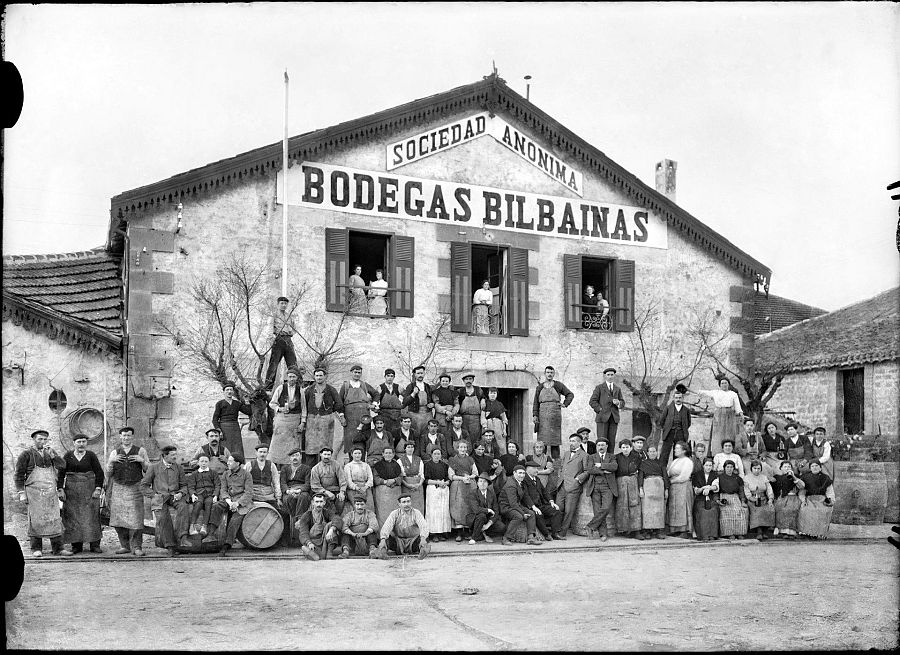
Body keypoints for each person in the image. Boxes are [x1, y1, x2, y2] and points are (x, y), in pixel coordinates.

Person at [16, 430, 69, 557]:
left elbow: (63, 466)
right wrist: (21, 492)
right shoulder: (26, 454)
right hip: (34, 492)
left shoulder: (50, 452)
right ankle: (36, 548)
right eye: (40, 439)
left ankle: (58, 549)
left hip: (50, 491)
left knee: (54, 518)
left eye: (45, 439)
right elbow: (19, 474)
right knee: (35, 520)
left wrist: (54, 457)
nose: (43, 442)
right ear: (34, 440)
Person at [140, 445, 190, 556]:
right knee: (163, 517)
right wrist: (154, 495)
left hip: (174, 496)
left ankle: (183, 537)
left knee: (183, 507)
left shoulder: (179, 468)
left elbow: (184, 485)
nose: (175, 457)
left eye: (175, 455)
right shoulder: (154, 467)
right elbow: (143, 486)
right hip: (159, 498)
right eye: (173, 455)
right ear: (164, 456)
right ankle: (170, 546)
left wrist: (180, 493)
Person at [106, 427, 149, 556]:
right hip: (118, 487)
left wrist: (142, 461)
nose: (126, 438)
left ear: (132, 437)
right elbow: (108, 473)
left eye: (129, 436)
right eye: (124, 436)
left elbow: (149, 469)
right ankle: (124, 546)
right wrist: (111, 462)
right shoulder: (114, 452)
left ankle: (136, 547)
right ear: (120, 437)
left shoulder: (141, 451)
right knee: (118, 519)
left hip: (135, 487)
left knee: (136, 518)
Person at [59, 434, 105, 554]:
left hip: (89, 490)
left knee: (92, 516)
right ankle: (76, 545)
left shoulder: (91, 455)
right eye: (79, 442)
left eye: (84, 441)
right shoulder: (68, 456)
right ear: (74, 443)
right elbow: (61, 474)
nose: (81, 444)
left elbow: (99, 473)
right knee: (73, 517)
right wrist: (60, 489)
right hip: (72, 490)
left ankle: (94, 545)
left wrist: (98, 489)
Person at [204, 453, 254, 556]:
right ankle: (211, 533)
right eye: (228, 461)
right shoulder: (226, 474)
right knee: (216, 506)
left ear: (238, 463)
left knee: (234, 520)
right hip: (229, 500)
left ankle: (227, 545)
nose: (228, 463)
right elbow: (223, 490)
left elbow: (248, 492)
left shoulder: (246, 475)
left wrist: (237, 503)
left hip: (242, 502)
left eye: (230, 461)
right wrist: (229, 501)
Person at [303, 367, 345, 467]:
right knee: (311, 448)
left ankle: (325, 470)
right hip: (312, 421)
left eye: (321, 375)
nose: (319, 377)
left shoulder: (331, 389)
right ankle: (311, 473)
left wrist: (329, 410)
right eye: (317, 375)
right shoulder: (309, 390)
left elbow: (339, 404)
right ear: (314, 377)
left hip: (326, 421)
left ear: (325, 376)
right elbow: (304, 405)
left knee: (325, 448)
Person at [268, 365, 307, 466]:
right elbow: (272, 403)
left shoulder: (300, 390)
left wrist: (302, 423)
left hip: (294, 421)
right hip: (281, 421)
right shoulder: (281, 388)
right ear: (287, 377)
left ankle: (291, 466)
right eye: (290, 377)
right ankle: (276, 465)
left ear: (297, 378)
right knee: (277, 444)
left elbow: (304, 408)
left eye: (294, 377)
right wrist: (279, 408)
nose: (292, 379)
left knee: (293, 446)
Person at [533, 366, 575, 458]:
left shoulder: (558, 385)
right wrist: (535, 415)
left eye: (551, 373)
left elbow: (570, 394)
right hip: (542, 416)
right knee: (542, 441)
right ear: (545, 374)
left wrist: (565, 404)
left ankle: (556, 463)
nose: (549, 374)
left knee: (554, 441)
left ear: (554, 374)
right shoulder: (539, 387)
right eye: (548, 372)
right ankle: (541, 462)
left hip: (554, 417)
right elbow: (536, 402)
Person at [553, 434, 590, 538]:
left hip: (573, 487)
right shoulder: (566, 453)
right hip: (562, 486)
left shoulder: (584, 455)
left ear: (579, 443)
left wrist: (577, 480)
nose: (571, 443)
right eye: (570, 441)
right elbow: (561, 466)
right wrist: (560, 475)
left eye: (573, 441)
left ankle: (562, 533)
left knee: (569, 511)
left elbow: (587, 471)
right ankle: (555, 531)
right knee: (558, 509)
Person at [693, 378, 742, 455]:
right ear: (719, 385)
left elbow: (737, 405)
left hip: (730, 415)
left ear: (728, 384)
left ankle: (730, 452)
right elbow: (704, 393)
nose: (724, 385)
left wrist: (740, 413)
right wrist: (690, 390)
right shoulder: (715, 392)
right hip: (719, 414)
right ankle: (718, 453)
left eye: (725, 383)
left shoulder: (733, 394)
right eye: (722, 383)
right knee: (718, 434)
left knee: (730, 433)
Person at [340, 363, 378, 461]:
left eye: (359, 373)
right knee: (350, 440)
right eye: (355, 372)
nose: (357, 374)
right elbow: (339, 402)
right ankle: (350, 462)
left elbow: (376, 394)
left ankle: (363, 463)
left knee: (363, 438)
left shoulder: (364, 385)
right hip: (350, 418)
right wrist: (342, 416)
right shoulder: (345, 385)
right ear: (351, 373)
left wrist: (373, 404)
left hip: (364, 416)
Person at [377, 494, 431, 558]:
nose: (406, 504)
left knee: (425, 538)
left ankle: (423, 551)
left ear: (411, 502)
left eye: (408, 501)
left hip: (413, 541)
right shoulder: (394, 513)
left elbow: (423, 526)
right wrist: (383, 539)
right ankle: (382, 552)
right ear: (399, 504)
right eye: (404, 502)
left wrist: (423, 539)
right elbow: (387, 526)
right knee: (385, 540)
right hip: (398, 542)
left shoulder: (416, 513)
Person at [584, 438, 618, 541]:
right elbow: (590, 469)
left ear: (607, 446)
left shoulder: (611, 456)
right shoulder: (591, 457)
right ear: (596, 447)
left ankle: (590, 526)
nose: (601, 447)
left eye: (603, 445)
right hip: (595, 486)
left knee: (606, 508)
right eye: (599, 445)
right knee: (597, 511)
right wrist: (603, 471)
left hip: (607, 486)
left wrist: (600, 465)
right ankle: (603, 534)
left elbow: (614, 467)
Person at [522, 458, 563, 541]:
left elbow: (544, 492)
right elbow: (525, 495)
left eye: (537, 468)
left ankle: (555, 533)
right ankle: (547, 534)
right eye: (535, 468)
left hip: (541, 504)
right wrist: (533, 507)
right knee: (538, 515)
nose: (537, 470)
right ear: (528, 469)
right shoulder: (524, 480)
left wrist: (551, 502)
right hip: (530, 506)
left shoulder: (537, 479)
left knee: (556, 511)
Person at [499, 465, 541, 546]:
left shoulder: (519, 482)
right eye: (519, 473)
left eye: (523, 473)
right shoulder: (511, 484)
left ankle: (531, 538)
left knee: (531, 513)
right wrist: (523, 513)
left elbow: (524, 496)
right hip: (506, 507)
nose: (522, 475)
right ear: (514, 473)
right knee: (518, 516)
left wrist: (533, 507)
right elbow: (513, 503)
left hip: (515, 505)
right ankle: (506, 538)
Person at [265, 295, 299, 389]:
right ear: (278, 304)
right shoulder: (274, 315)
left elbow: (294, 328)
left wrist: (290, 333)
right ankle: (268, 387)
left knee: (293, 364)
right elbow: (269, 328)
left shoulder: (288, 315)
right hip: (278, 339)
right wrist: (272, 339)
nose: (284, 305)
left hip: (288, 340)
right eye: (282, 303)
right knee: (274, 364)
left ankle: (297, 386)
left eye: (285, 304)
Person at [297, 493, 343, 561]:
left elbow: (337, 519)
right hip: (313, 541)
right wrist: (308, 543)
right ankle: (312, 552)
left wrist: (331, 529)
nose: (319, 504)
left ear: (324, 502)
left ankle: (329, 552)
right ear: (312, 503)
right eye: (317, 502)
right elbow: (303, 532)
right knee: (312, 551)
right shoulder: (306, 515)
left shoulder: (327, 512)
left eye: (321, 502)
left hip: (325, 540)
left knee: (330, 525)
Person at [212, 381, 252, 459]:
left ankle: (238, 464)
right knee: (225, 448)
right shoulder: (220, 404)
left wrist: (247, 401)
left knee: (237, 447)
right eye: (227, 390)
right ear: (224, 392)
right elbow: (215, 419)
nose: (229, 392)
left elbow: (248, 411)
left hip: (235, 428)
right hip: (224, 428)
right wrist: (218, 431)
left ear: (233, 392)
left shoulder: (237, 403)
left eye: (231, 390)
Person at [447, 440, 479, 542]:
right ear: (457, 449)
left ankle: (468, 531)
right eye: (461, 447)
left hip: (469, 484)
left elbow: (475, 473)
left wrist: (469, 476)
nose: (463, 449)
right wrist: (462, 478)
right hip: (458, 485)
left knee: (469, 507)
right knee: (458, 507)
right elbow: (451, 475)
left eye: (465, 447)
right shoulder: (453, 460)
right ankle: (459, 532)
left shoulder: (470, 459)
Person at [280, 447, 312, 546]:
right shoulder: (285, 468)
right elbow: (283, 483)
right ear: (290, 458)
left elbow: (308, 484)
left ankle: (299, 520)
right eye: (293, 456)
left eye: (297, 455)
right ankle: (296, 519)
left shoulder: (306, 468)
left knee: (303, 497)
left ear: (301, 457)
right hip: (289, 490)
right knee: (289, 499)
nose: (295, 458)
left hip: (301, 489)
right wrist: (288, 491)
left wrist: (299, 490)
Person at [798, 459, 835, 540]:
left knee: (822, 510)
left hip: (821, 499)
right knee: (807, 510)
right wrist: (803, 500)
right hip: (809, 499)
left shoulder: (826, 478)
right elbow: (802, 491)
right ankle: (807, 533)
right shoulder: (805, 477)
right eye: (812, 466)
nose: (814, 468)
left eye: (816, 466)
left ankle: (819, 533)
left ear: (820, 467)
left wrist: (831, 500)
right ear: (810, 468)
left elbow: (829, 491)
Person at [464, 472, 506, 544]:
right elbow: (476, 509)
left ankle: (484, 532)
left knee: (501, 527)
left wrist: (488, 524)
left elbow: (496, 511)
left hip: (487, 520)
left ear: (488, 484)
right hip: (475, 519)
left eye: (485, 481)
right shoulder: (473, 493)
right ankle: (474, 538)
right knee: (482, 515)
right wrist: (488, 510)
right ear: (477, 483)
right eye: (480, 481)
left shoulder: (491, 494)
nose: (482, 483)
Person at [638, 444, 669, 540]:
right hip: (648, 487)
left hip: (659, 488)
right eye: (650, 451)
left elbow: (665, 476)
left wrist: (666, 489)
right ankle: (647, 531)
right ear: (647, 453)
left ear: (657, 452)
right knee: (647, 509)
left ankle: (658, 531)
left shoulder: (661, 463)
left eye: (654, 451)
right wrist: (640, 489)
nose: (652, 453)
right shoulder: (643, 463)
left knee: (659, 510)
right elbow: (640, 477)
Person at [589, 367, 625, 448]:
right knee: (602, 441)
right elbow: (592, 401)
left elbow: (622, 403)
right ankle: (601, 459)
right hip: (602, 418)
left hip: (614, 418)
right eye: (608, 375)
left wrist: (618, 402)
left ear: (614, 376)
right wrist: (600, 410)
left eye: (612, 375)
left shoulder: (617, 389)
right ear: (605, 376)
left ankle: (610, 459)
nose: (610, 376)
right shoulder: (599, 387)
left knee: (611, 441)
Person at [666, 442, 694, 539]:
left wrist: (672, 481)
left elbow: (684, 476)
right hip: (674, 488)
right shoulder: (675, 461)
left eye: (677, 448)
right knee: (674, 507)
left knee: (683, 507)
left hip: (683, 486)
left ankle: (685, 530)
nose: (675, 450)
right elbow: (668, 472)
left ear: (684, 450)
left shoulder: (687, 461)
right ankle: (675, 529)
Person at [615, 439, 643, 537]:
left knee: (634, 505)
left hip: (633, 481)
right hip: (621, 483)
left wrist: (640, 487)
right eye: (623, 447)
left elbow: (640, 472)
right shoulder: (616, 457)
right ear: (620, 448)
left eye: (627, 447)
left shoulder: (637, 457)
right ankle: (625, 530)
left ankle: (636, 530)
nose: (625, 449)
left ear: (631, 448)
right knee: (622, 506)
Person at [423, 448, 452, 541]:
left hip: (443, 490)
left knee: (443, 512)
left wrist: (445, 483)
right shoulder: (427, 465)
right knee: (433, 512)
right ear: (431, 455)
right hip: (432, 490)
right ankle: (433, 534)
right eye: (435, 454)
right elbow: (426, 480)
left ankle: (442, 532)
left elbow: (448, 478)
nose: (437, 455)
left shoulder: (444, 465)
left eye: (438, 454)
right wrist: (437, 482)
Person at [659, 384, 692, 465]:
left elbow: (688, 423)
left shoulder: (686, 410)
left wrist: (681, 429)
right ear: (673, 398)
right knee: (664, 453)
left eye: (680, 398)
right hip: (669, 433)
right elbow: (661, 421)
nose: (678, 399)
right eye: (676, 398)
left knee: (679, 453)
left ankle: (676, 473)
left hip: (680, 433)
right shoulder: (668, 408)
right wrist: (667, 428)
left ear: (682, 398)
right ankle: (661, 472)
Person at [187, 454, 218, 537]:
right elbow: (191, 486)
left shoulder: (213, 473)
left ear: (209, 463)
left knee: (209, 504)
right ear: (198, 463)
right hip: (199, 493)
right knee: (198, 503)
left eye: (206, 461)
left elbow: (217, 485)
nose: (204, 463)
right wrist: (193, 495)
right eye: (202, 461)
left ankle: (204, 526)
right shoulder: (194, 474)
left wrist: (215, 495)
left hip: (209, 494)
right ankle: (192, 526)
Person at [744, 460, 776, 540]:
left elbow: (769, 489)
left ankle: (765, 530)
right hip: (753, 499)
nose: (757, 470)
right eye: (755, 468)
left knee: (769, 509)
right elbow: (746, 489)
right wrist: (750, 498)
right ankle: (759, 531)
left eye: (758, 468)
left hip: (763, 498)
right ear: (751, 468)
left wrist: (770, 498)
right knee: (757, 511)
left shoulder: (764, 477)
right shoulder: (747, 478)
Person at [310, 447, 347, 515]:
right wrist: (326, 492)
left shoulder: (336, 465)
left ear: (331, 455)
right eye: (325, 454)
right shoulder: (315, 468)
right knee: (327, 504)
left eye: (328, 454)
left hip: (336, 491)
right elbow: (315, 485)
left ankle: (336, 518)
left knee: (341, 501)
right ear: (321, 454)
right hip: (322, 491)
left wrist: (342, 492)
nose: (326, 456)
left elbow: (342, 480)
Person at [716, 460, 748, 540]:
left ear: (734, 468)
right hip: (724, 497)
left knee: (741, 510)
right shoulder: (720, 478)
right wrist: (718, 500)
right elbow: (716, 491)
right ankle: (729, 533)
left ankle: (740, 533)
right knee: (726, 511)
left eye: (731, 467)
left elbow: (741, 491)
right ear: (724, 468)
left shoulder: (738, 478)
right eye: (727, 467)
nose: (729, 469)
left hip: (735, 497)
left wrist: (743, 501)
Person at [373, 446, 404, 528]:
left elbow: (401, 477)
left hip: (394, 494)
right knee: (383, 515)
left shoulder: (397, 465)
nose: (388, 454)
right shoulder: (377, 465)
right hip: (382, 494)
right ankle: (384, 536)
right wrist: (385, 481)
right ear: (383, 454)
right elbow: (375, 478)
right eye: (386, 453)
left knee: (395, 514)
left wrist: (394, 480)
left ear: (393, 454)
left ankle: (395, 536)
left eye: (390, 453)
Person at [245, 444, 283, 511]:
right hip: (254, 495)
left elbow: (276, 482)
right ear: (256, 453)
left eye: (264, 452)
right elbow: (243, 481)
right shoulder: (249, 465)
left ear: (267, 453)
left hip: (268, 496)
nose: (262, 454)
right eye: (260, 452)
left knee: (278, 513)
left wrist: (278, 498)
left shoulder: (272, 465)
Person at [692, 458, 720, 541]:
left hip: (711, 497)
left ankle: (712, 535)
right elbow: (696, 491)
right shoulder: (697, 475)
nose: (708, 467)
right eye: (706, 465)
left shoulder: (714, 474)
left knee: (713, 510)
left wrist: (709, 488)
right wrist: (704, 488)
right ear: (703, 465)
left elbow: (716, 486)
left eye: (710, 465)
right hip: (700, 498)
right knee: (702, 511)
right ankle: (703, 535)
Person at [402, 365, 434, 435]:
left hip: (427, 414)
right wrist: (413, 393)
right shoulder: (410, 386)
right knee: (415, 434)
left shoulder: (428, 386)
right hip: (414, 414)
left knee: (427, 434)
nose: (420, 375)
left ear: (424, 374)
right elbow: (405, 402)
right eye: (418, 373)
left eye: (421, 373)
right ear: (414, 374)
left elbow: (432, 400)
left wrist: (432, 404)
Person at [398, 440, 426, 515]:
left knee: (418, 507)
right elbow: (400, 476)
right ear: (405, 449)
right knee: (407, 506)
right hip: (406, 486)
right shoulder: (400, 460)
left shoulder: (419, 459)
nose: (410, 449)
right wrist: (408, 485)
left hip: (418, 486)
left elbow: (422, 474)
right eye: (408, 447)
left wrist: (419, 484)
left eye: (412, 447)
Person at [343, 445, 374, 510]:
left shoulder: (366, 465)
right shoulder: (348, 466)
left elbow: (370, 479)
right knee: (358, 507)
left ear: (362, 454)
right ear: (352, 454)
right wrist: (357, 488)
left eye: (359, 453)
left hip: (365, 488)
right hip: (353, 489)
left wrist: (365, 487)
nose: (357, 455)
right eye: (355, 453)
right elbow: (348, 481)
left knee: (369, 507)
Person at [457, 373, 485, 442]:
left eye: (470, 379)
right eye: (466, 379)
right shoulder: (460, 391)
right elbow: (456, 403)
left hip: (475, 418)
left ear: (473, 380)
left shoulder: (478, 390)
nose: (468, 381)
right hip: (464, 418)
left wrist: (483, 399)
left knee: (475, 437)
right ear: (463, 381)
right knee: (464, 437)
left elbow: (483, 397)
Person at [377, 368, 405, 435]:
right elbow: (371, 399)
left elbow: (407, 397)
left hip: (396, 416)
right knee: (385, 435)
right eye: (388, 375)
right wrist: (374, 408)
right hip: (384, 415)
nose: (390, 378)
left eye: (392, 376)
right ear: (385, 377)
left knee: (396, 435)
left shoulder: (398, 387)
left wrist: (403, 406)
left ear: (394, 377)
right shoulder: (380, 387)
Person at [481, 387, 509, 451]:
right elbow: (482, 417)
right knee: (488, 443)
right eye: (491, 393)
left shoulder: (500, 404)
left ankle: (502, 458)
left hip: (498, 425)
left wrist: (504, 430)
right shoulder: (485, 404)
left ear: (497, 394)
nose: (493, 395)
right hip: (488, 424)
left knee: (501, 444)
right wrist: (485, 427)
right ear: (488, 394)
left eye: (494, 393)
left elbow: (504, 418)